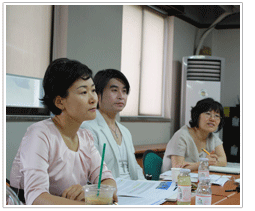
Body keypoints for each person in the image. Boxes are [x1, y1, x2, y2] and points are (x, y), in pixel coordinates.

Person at [10, 58, 117, 205]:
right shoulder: (39, 134)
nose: (93, 99)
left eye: (93, 90)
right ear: (60, 102)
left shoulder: (85, 137)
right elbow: (36, 199)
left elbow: (107, 179)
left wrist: (88, 192)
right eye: (84, 92)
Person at [81, 69, 145, 180]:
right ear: (98, 94)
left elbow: (135, 168)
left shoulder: (125, 131)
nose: (121, 96)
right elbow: (91, 172)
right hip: (110, 190)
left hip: (134, 189)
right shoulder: (88, 128)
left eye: (124, 91)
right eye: (114, 90)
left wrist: (147, 186)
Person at [162, 98, 227, 173]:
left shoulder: (213, 138)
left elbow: (223, 161)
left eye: (217, 116)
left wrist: (191, 165)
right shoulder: (182, 135)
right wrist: (205, 163)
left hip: (195, 180)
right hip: (173, 181)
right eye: (208, 114)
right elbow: (177, 167)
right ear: (197, 115)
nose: (212, 119)